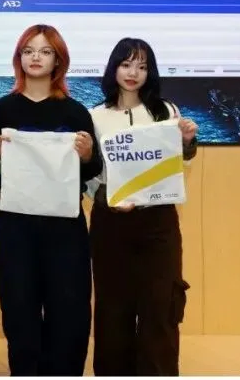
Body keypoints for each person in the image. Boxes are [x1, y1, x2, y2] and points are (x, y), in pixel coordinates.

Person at [0, 24, 103, 376]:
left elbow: (92, 169)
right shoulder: (0, 110)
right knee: (19, 310)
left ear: (58, 60)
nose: (36, 57)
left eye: (45, 51)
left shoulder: (76, 112)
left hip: (65, 227)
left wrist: (87, 154)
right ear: (19, 58)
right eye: (28, 51)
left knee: (70, 311)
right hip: (15, 227)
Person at [85, 38, 198, 376]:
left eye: (142, 66)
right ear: (114, 68)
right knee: (113, 309)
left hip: (158, 224)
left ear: (151, 72)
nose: (133, 72)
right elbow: (91, 178)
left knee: (161, 306)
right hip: (111, 224)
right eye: (126, 64)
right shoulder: (95, 116)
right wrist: (110, 201)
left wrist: (187, 141)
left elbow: (179, 164)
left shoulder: (166, 111)